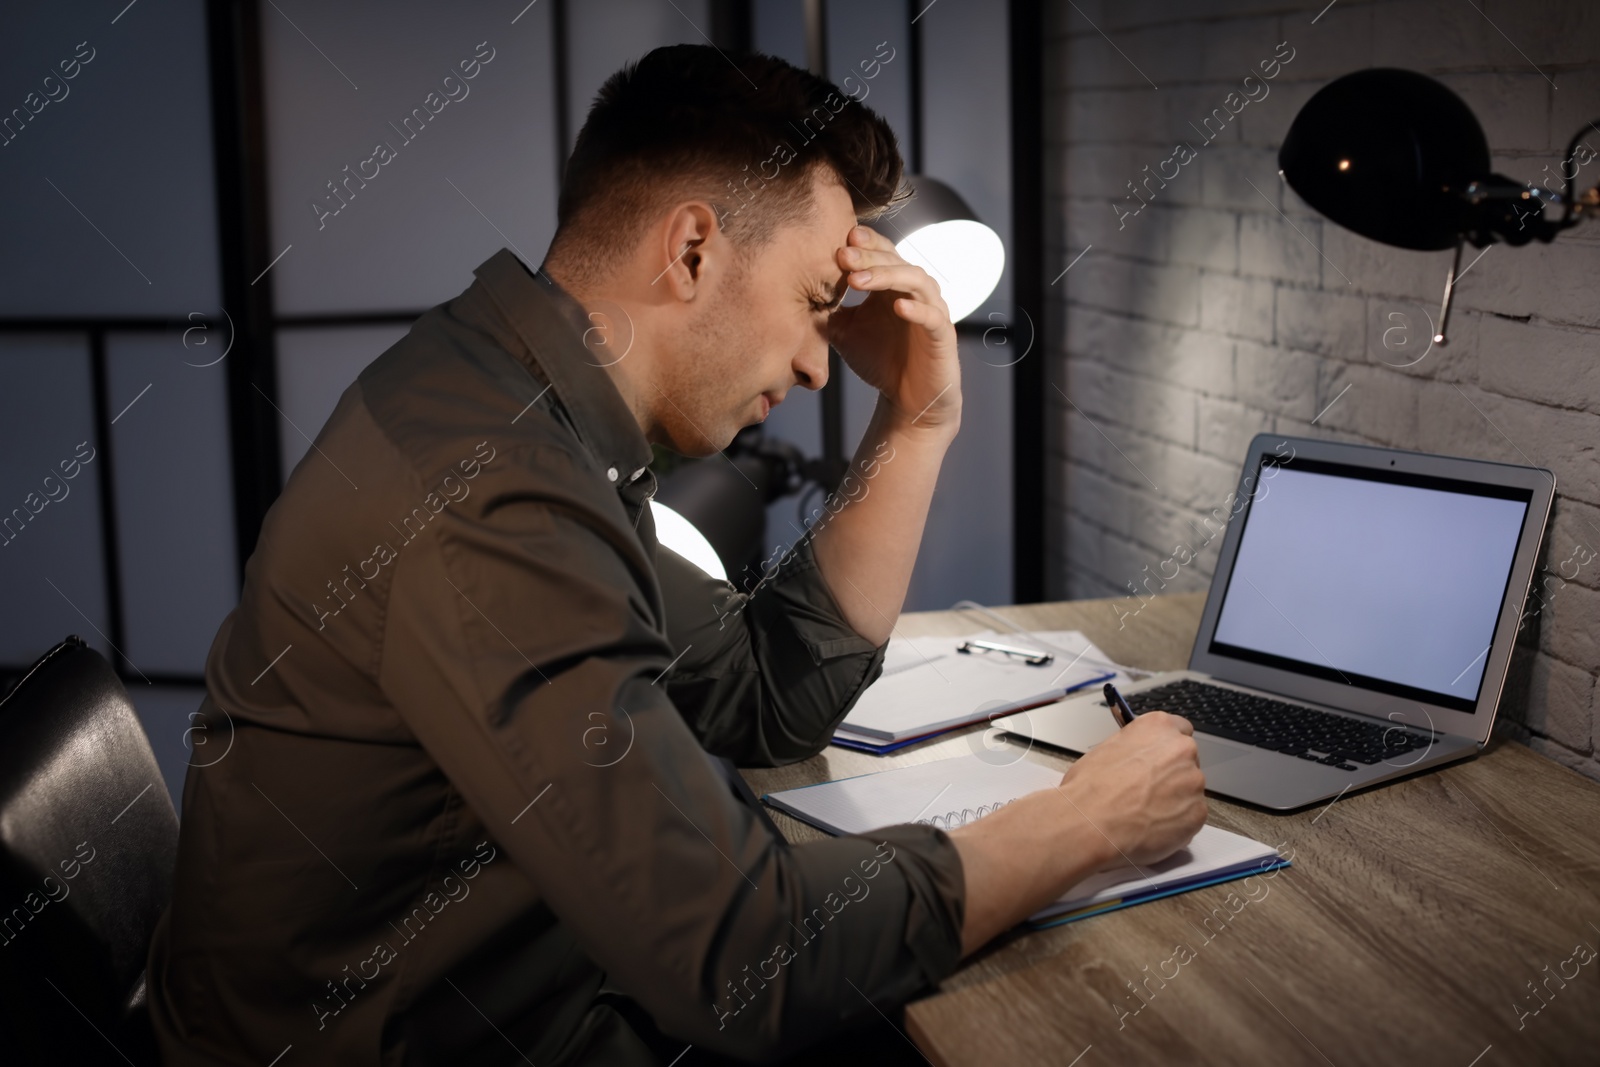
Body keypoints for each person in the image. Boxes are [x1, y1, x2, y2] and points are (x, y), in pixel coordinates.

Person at [145, 44, 1206, 1066]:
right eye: (808, 301)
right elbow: (744, 957)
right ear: (692, 248)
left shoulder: (515, 395)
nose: (816, 360)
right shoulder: (491, 485)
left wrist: (916, 422)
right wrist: (1080, 821)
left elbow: (761, 697)